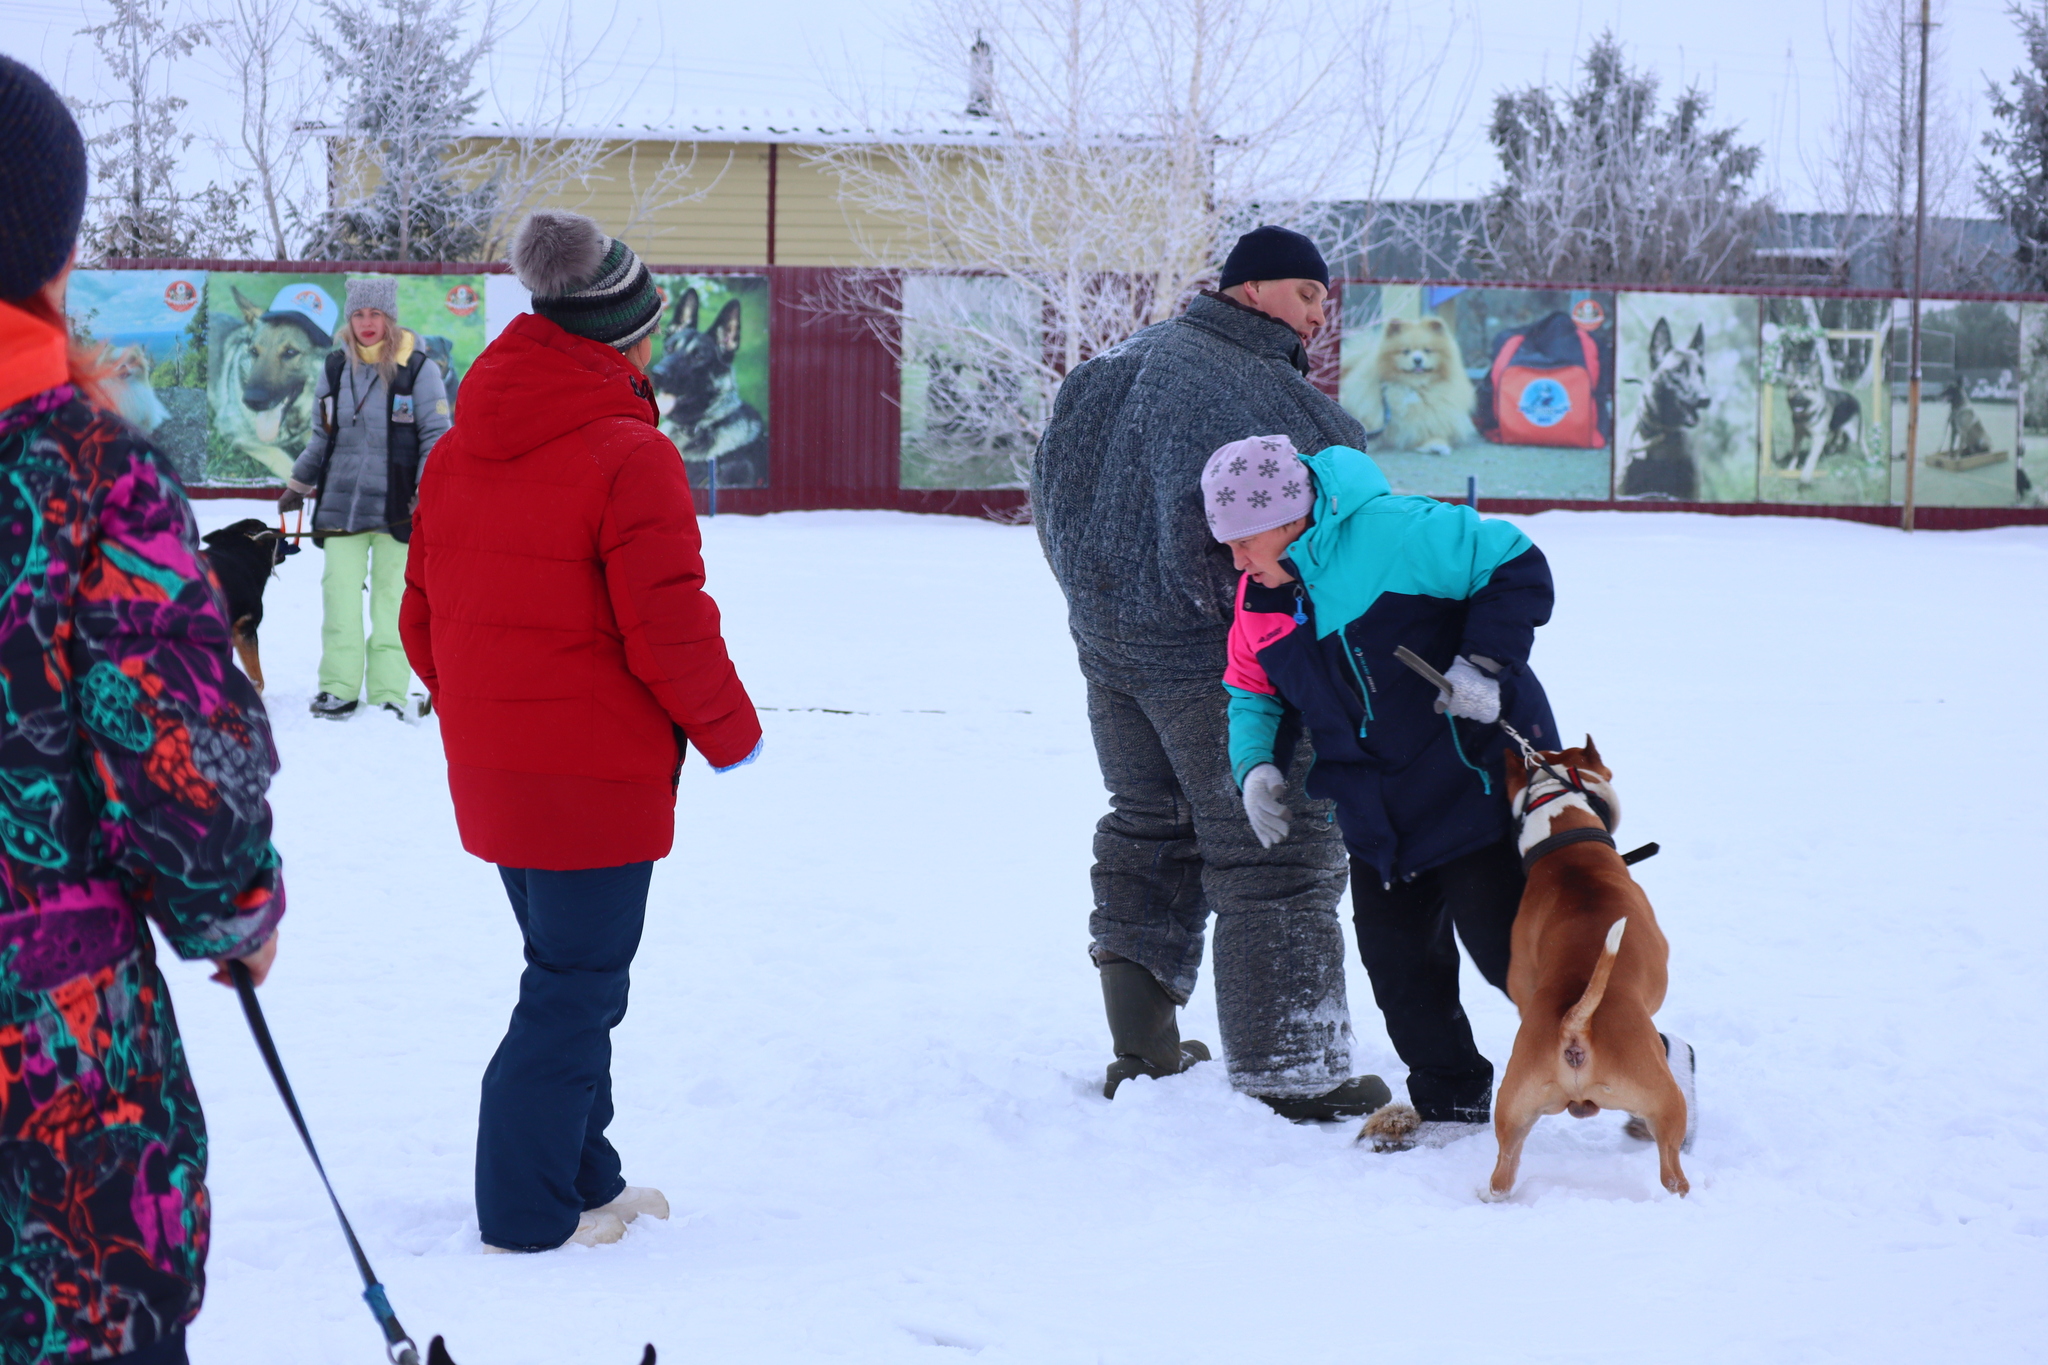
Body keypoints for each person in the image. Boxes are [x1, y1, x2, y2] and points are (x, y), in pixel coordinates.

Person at [400, 210, 762, 1252]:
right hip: (593, 778)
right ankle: (524, 1212)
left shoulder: (459, 451)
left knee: (566, 978)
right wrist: (730, 733)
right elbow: (669, 626)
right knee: (572, 993)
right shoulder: (627, 454)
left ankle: (585, 1174)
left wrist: (490, 713)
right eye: (646, 329)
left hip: (499, 772)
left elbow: (420, 623)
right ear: (623, 337)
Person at [0, 55, 285, 1362]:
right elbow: (175, 764)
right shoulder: (86, 471)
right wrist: (236, 910)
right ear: (50, 250)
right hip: (46, 1077)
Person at [1031, 224, 1389, 1119]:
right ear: (1255, 289)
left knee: (1148, 829)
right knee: (1280, 847)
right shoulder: (1256, 393)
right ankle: (1294, 1071)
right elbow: (1313, 546)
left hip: (1111, 654)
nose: (1319, 315)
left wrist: (1104, 617)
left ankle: (1143, 1048)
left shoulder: (1108, 368)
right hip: (1221, 666)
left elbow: (1049, 503)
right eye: (1308, 295)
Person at [1204, 434, 1558, 1147]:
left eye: (1243, 541)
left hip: (1470, 780)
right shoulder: (1260, 599)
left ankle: (1645, 1054)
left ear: (1288, 516)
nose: (1236, 560)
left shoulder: (1393, 533)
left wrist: (1482, 664)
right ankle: (1450, 1099)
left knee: (1513, 956)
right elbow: (1251, 688)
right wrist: (1256, 767)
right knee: (1399, 966)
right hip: (1376, 811)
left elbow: (1516, 560)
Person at [280, 277, 451, 721]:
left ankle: (390, 693)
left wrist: (424, 495)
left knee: (393, 603)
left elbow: (436, 437)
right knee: (339, 600)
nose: (367, 322)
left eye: (375, 314)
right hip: (341, 506)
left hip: (399, 509)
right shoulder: (335, 368)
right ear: (349, 320)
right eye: (359, 314)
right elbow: (322, 437)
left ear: (389, 317)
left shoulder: (418, 369)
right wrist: (297, 486)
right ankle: (338, 688)